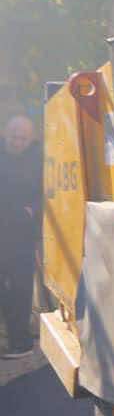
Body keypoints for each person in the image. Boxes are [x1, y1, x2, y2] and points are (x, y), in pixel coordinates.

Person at [0, 114, 41, 357]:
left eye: (23, 138)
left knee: (21, 288)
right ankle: (11, 332)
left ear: (31, 138)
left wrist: (33, 209)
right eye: (14, 137)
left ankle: (20, 342)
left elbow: (45, 191)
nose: (18, 142)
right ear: (5, 132)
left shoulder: (37, 157)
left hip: (22, 235)